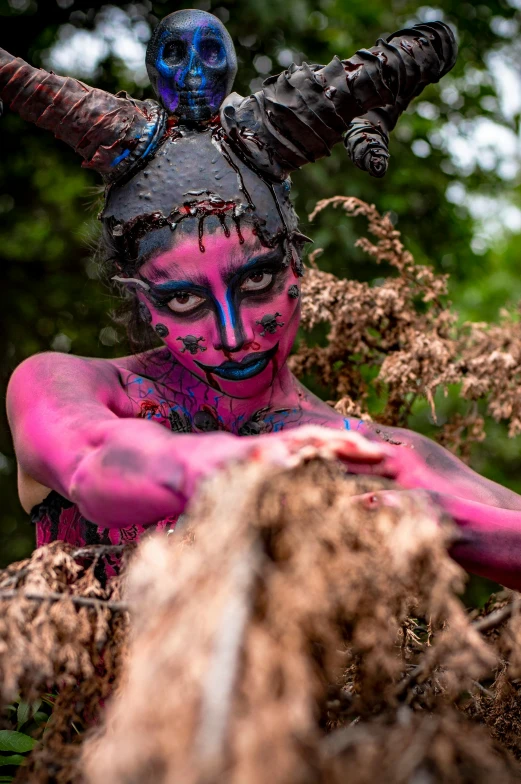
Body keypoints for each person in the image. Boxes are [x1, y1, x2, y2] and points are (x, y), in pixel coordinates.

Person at [3, 11, 521, 587]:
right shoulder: (70, 387)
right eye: (183, 301)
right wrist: (245, 464)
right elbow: (93, 460)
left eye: (256, 283)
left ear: (298, 264)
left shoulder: (363, 451)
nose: (233, 334)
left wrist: (442, 519)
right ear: (143, 304)